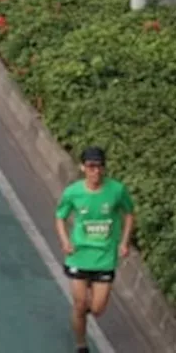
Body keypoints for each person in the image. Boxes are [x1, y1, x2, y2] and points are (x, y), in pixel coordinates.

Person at [56, 146, 135, 353]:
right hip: (79, 255)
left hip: (105, 257)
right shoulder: (73, 192)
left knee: (98, 309)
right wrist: (65, 240)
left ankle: (81, 313)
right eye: (91, 167)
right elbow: (60, 216)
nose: (96, 172)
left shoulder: (117, 190)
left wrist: (124, 241)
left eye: (100, 167)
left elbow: (129, 213)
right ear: (83, 167)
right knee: (80, 305)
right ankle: (81, 344)